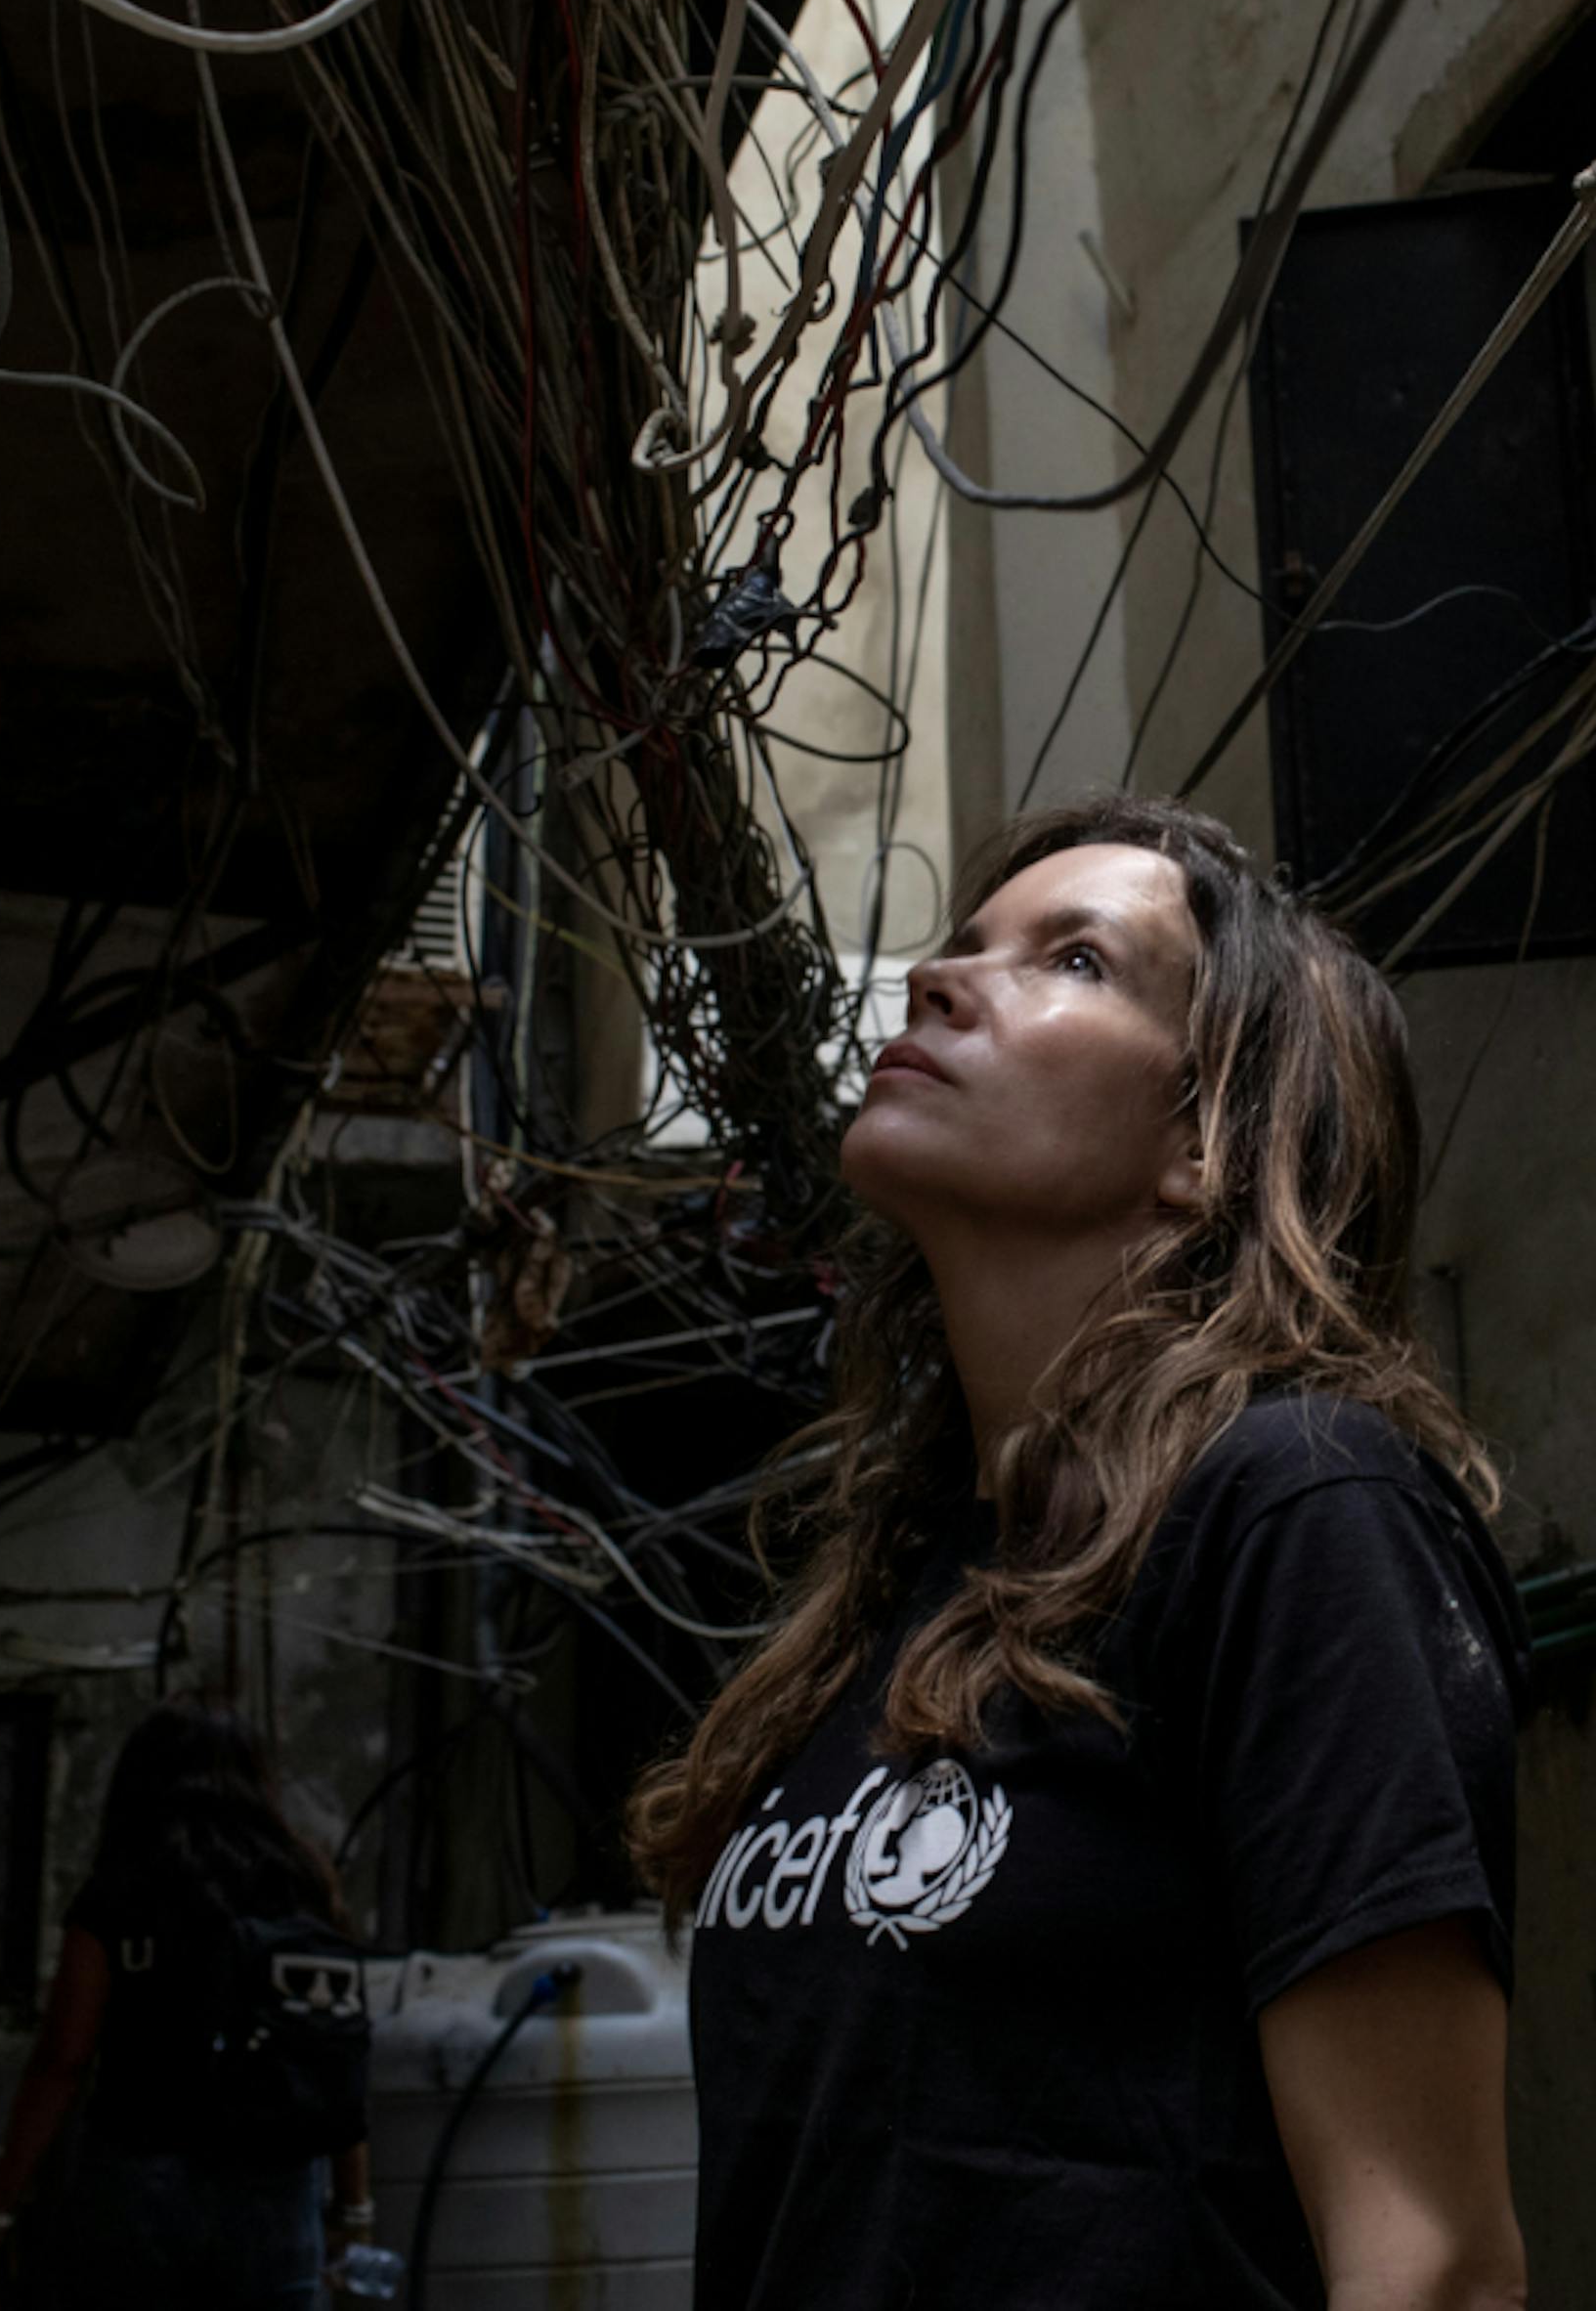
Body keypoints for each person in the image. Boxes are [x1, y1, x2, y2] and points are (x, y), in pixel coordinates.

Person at [628, 796, 1536, 2311]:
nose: (939, 977)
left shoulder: (1291, 1511)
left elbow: (1430, 2262)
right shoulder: (900, 1587)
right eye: (967, 940)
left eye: (1074, 962)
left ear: (1204, 1142)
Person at [0, 1701, 378, 2311]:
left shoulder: (122, 1885)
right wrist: (354, 2205)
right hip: (279, 2184)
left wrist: (0, 2212)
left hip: (140, 2174)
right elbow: (334, 2051)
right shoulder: (302, 1881)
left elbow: (65, 2055)